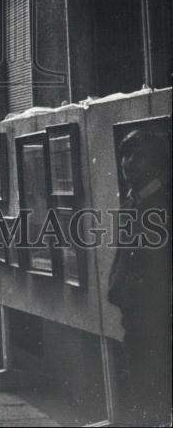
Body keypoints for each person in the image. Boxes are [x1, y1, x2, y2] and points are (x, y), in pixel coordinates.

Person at [107, 127, 171, 427]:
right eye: (126, 155)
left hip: (157, 317)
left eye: (138, 156)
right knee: (142, 389)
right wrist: (117, 287)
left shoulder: (162, 204)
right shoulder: (133, 202)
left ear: (156, 163)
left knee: (154, 392)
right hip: (135, 315)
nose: (128, 162)